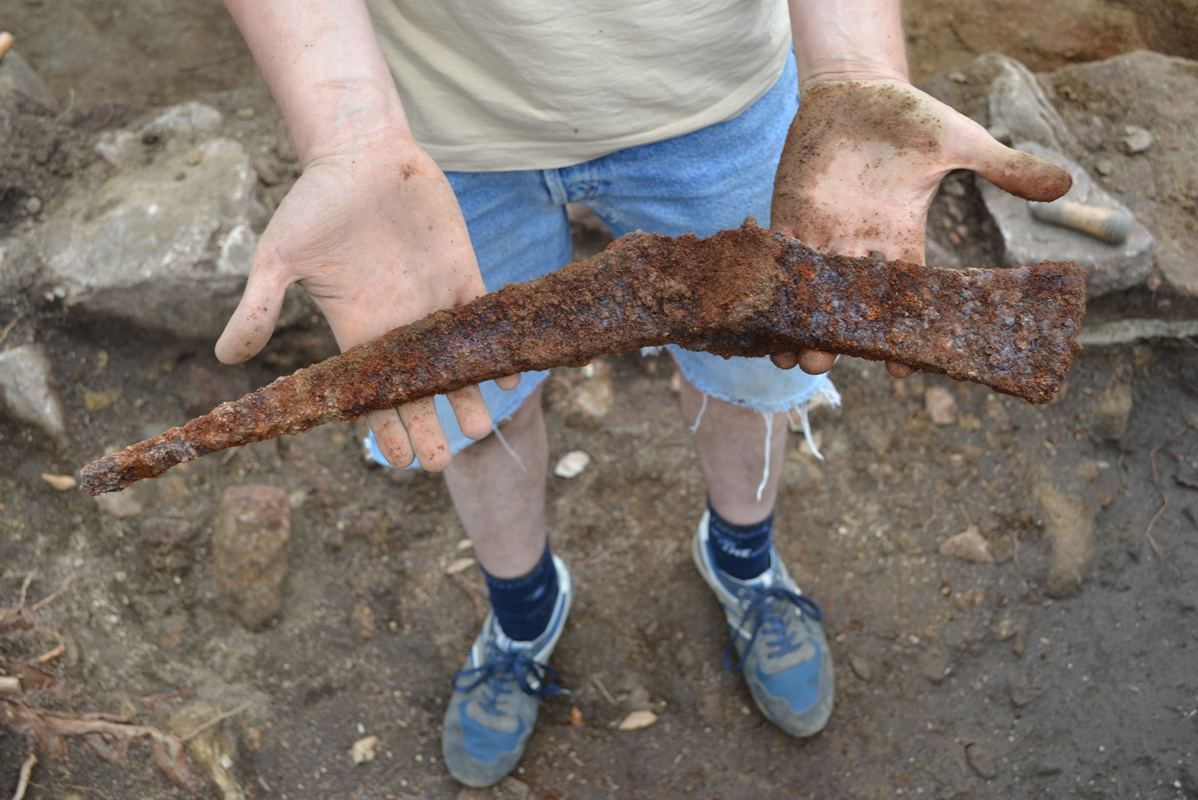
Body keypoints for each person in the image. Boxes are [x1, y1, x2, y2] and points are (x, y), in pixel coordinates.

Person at [216, 0, 1069, 788]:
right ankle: (522, 615)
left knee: (760, 368)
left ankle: (744, 562)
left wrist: (854, 70)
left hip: (717, 106)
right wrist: (347, 129)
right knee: (466, 414)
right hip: (426, 146)